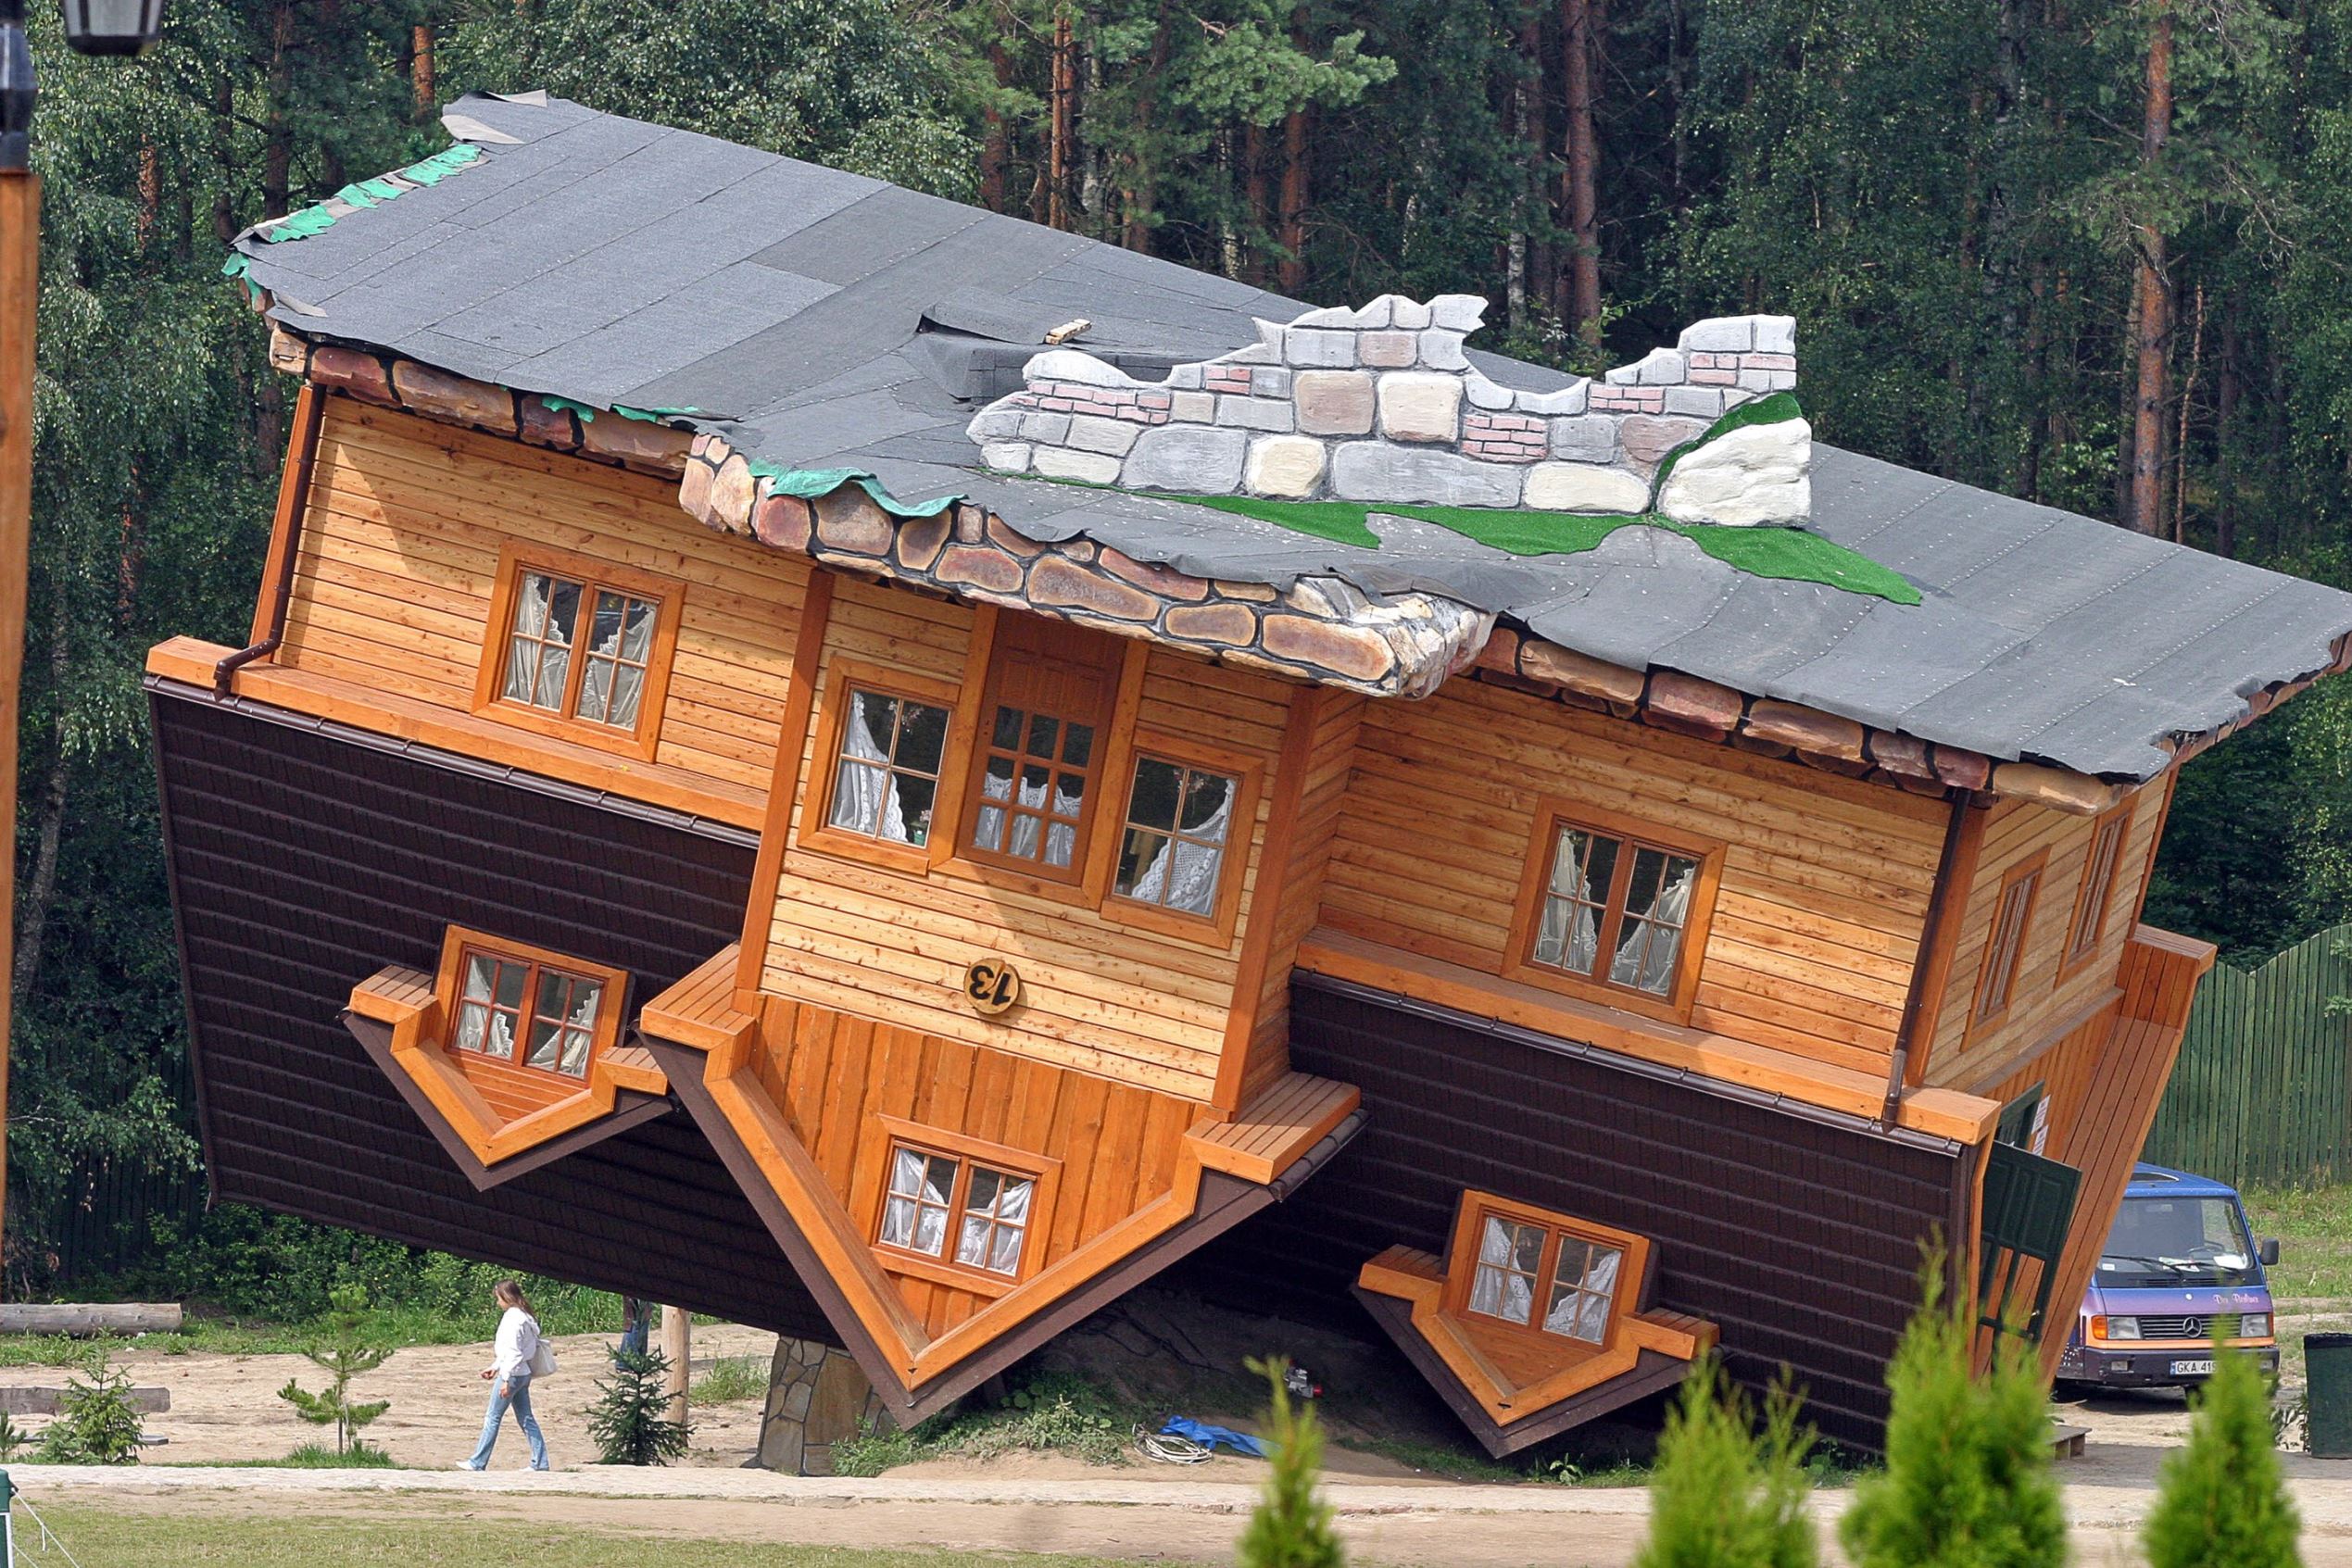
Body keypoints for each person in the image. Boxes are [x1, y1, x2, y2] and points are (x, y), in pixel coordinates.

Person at [461, 1280, 548, 1471]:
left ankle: (477, 1462)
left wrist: (506, 1379)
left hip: (514, 1375)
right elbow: (517, 1351)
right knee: (526, 1418)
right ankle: (540, 1463)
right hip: (523, 1372)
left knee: (492, 1417)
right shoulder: (525, 1316)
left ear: (506, 1297)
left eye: (498, 1298)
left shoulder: (512, 1319)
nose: (497, 1302)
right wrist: (495, 1366)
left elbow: (514, 1352)